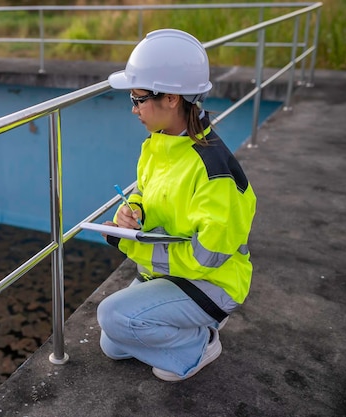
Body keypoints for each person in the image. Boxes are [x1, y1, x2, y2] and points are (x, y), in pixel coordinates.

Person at [96, 29, 256, 381]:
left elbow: (207, 257)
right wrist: (134, 213)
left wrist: (129, 244)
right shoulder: (158, 144)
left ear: (170, 98)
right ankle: (184, 326)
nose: (134, 109)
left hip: (212, 282)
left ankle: (200, 344)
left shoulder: (214, 171)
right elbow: (146, 193)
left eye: (138, 99)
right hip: (173, 274)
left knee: (113, 316)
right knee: (112, 344)